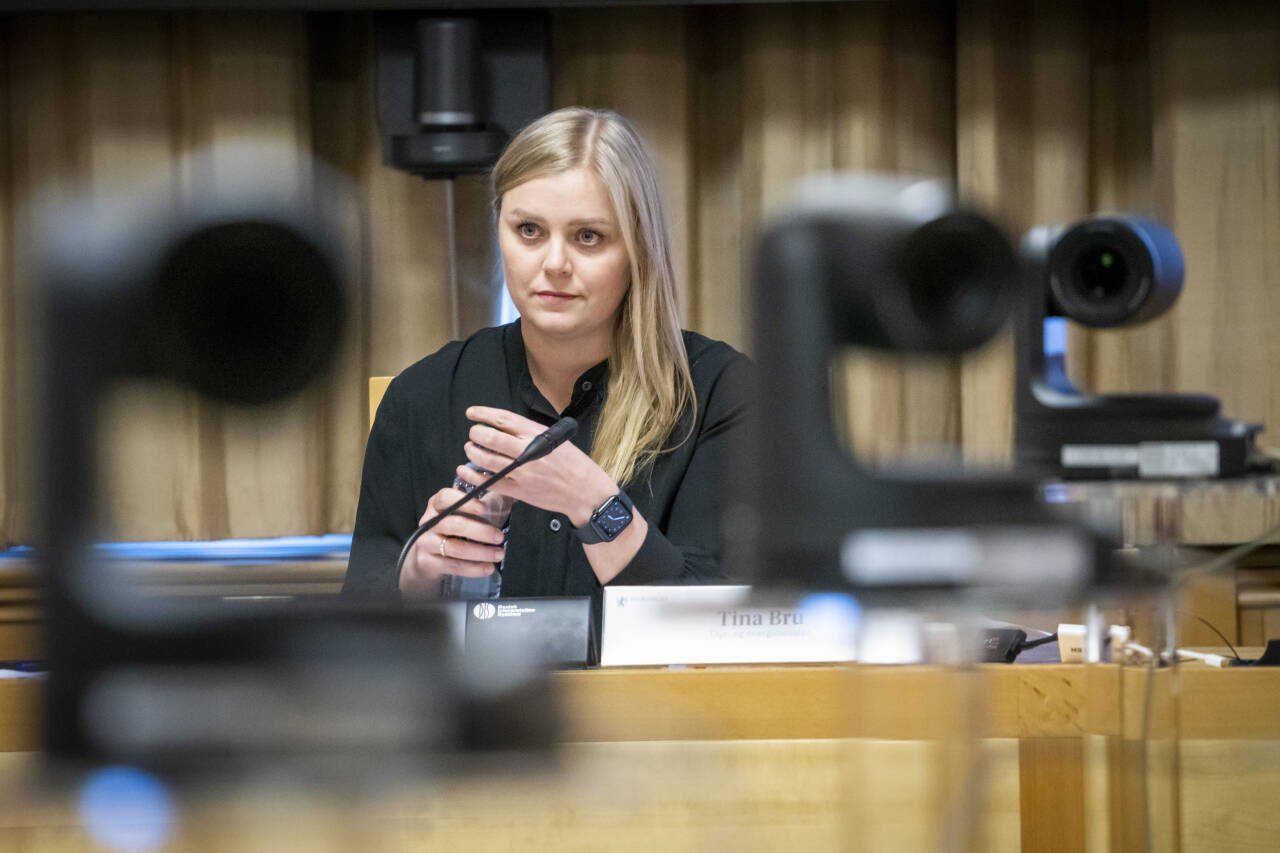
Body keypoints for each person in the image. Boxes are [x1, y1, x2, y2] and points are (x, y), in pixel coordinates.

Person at [342, 106, 752, 601]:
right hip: (481, 682)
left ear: (639, 248)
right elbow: (358, 621)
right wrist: (417, 574)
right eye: (529, 231)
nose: (554, 264)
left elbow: (724, 622)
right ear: (500, 230)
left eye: (588, 237)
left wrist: (592, 502)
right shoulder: (420, 395)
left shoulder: (718, 391)